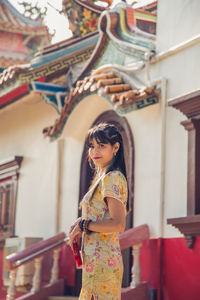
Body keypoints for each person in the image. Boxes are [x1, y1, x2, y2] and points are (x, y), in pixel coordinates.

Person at [68, 122, 128, 300]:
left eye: (102, 146)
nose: (95, 151)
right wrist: (80, 223)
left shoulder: (112, 177)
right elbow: (100, 214)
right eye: (92, 146)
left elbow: (118, 223)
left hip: (103, 261)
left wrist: (85, 224)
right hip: (95, 260)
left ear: (115, 147)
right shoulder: (102, 177)